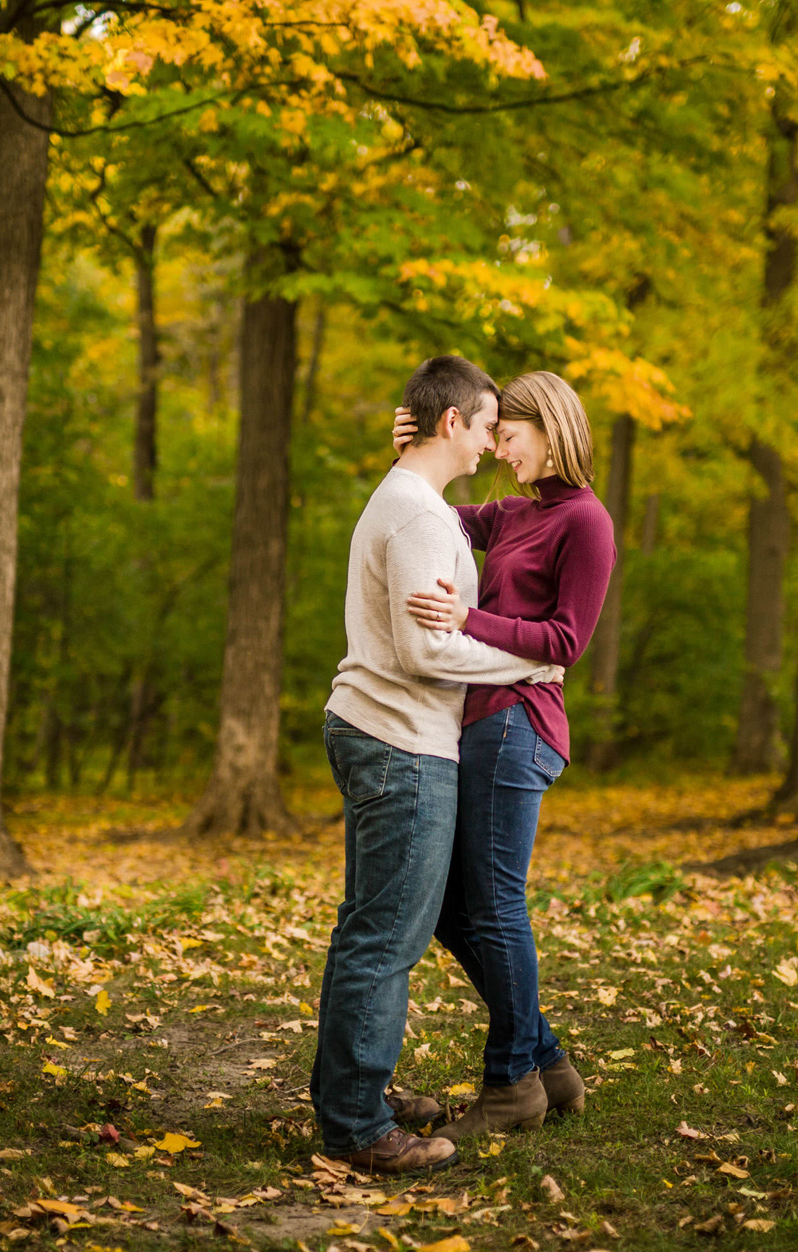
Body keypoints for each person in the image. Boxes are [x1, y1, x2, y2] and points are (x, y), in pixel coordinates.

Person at [314, 355, 565, 1175]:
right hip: (401, 742)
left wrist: (408, 448)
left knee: (371, 927)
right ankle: (358, 1128)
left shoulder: (415, 500)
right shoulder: (420, 513)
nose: (495, 443)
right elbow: (427, 650)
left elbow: (453, 556)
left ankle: (359, 1095)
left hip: (378, 730)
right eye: (489, 425)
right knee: (387, 938)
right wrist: (527, 667)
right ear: (453, 422)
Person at [390, 370, 616, 1142]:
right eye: (492, 435)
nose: (499, 451)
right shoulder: (515, 515)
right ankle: (546, 1063)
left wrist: (471, 618)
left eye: (510, 438)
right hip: (478, 721)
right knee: (454, 908)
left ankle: (510, 1083)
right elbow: (427, 514)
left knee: (494, 905)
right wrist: (411, 453)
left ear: (550, 431)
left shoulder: (586, 523)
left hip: (521, 722)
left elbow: (566, 642)